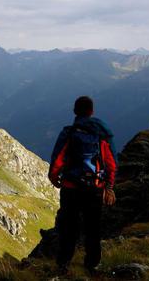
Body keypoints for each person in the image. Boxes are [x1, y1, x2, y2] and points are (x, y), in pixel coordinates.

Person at [48, 96, 117, 275]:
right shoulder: (101, 134)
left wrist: (54, 177)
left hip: (71, 188)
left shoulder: (69, 133)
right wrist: (109, 186)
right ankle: (92, 264)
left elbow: (58, 159)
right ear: (92, 111)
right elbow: (111, 163)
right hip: (94, 188)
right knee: (93, 228)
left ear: (75, 112)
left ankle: (63, 264)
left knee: (68, 228)